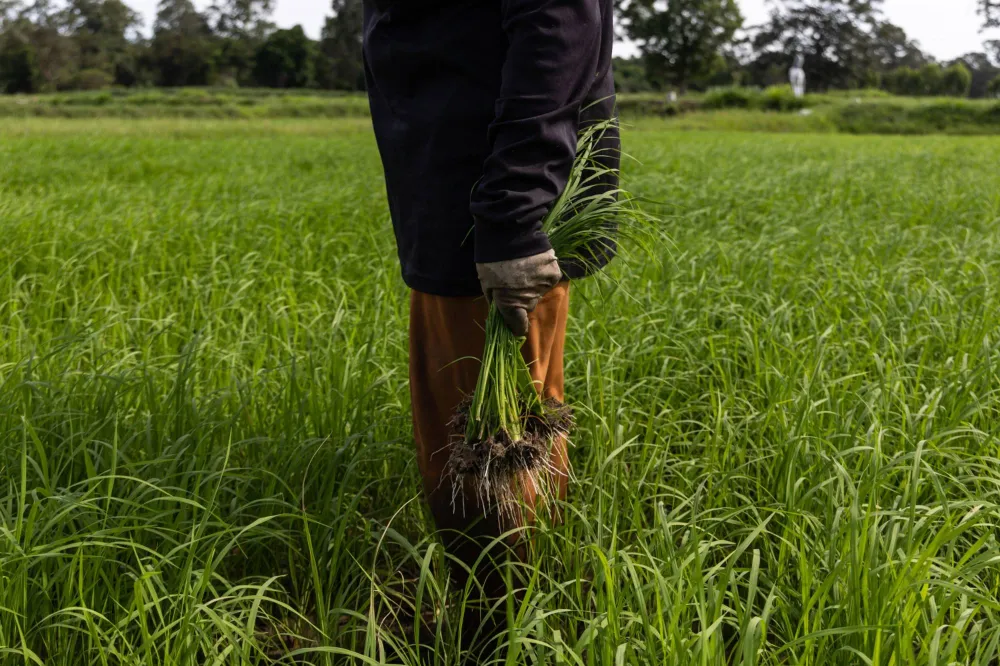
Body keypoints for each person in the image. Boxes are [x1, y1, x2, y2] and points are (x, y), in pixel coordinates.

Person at [362, 0, 617, 655]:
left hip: (481, 209)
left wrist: (511, 213)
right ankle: (535, 621)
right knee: (527, 427)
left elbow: (557, 23)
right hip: (482, 201)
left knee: (480, 451)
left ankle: (493, 638)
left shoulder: (500, 211)